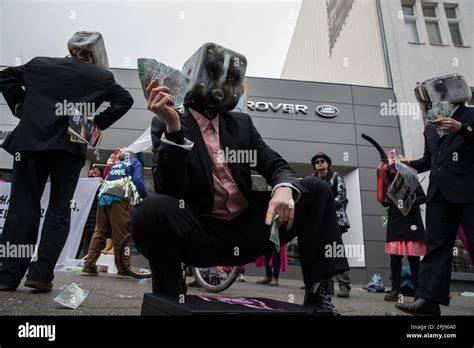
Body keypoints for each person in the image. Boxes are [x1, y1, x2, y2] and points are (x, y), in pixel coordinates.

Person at [130, 42, 349, 315]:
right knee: (150, 211)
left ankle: (319, 297)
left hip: (248, 231)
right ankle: (169, 292)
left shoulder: (241, 125)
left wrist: (283, 188)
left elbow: (275, 164)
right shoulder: (168, 122)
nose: (224, 84)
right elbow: (169, 190)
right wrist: (174, 130)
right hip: (199, 231)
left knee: (315, 189)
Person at [0, 31, 133, 292]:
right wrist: (94, 125)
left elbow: (5, 77)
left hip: (30, 144)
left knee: (21, 208)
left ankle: (7, 274)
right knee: (59, 211)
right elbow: (125, 100)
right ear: (96, 53)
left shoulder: (39, 64)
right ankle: (41, 274)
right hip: (69, 148)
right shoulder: (101, 76)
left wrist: (20, 106)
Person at [396, 74, 474, 315]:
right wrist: (407, 163)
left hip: (469, 191)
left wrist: (463, 130)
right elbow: (430, 160)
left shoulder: (470, 115)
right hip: (438, 194)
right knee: (435, 246)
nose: (426, 102)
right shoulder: (430, 125)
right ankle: (428, 301)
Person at [82, 151, 148, 277]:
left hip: (103, 197)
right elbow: (138, 181)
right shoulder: (135, 163)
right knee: (121, 234)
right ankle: (124, 268)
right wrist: (145, 197)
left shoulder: (117, 165)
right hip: (119, 198)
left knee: (100, 231)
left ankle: (89, 266)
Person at [382, 151, 426, 302]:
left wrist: (407, 200)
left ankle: (418, 292)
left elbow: (423, 197)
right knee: (395, 258)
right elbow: (383, 201)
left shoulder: (410, 177)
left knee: (414, 259)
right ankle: (395, 290)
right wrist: (390, 198)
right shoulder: (385, 181)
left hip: (412, 221)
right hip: (395, 221)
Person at [308, 152, 351, 298]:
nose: (319, 163)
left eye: (322, 161)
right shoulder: (312, 178)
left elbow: (341, 195)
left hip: (335, 218)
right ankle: (327, 285)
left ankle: (344, 285)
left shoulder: (336, 176)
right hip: (319, 219)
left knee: (336, 250)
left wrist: (326, 205)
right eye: (317, 161)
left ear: (327, 163)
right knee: (322, 251)